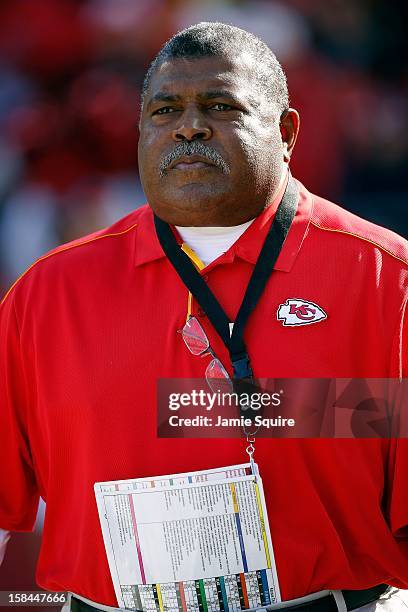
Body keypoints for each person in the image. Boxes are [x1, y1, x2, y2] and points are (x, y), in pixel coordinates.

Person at [1, 22, 407, 612]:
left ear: (286, 132)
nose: (189, 125)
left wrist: (275, 407)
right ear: (141, 131)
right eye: (165, 109)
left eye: (219, 105)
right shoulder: (47, 294)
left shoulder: (385, 281)